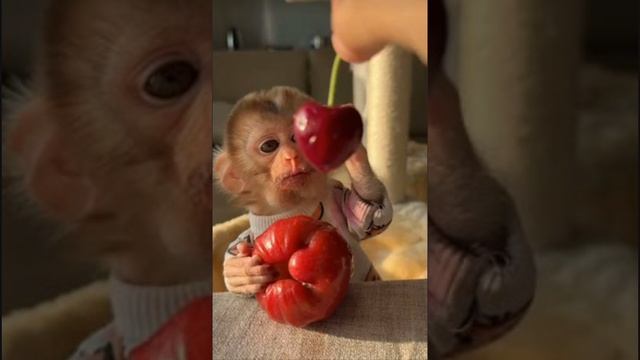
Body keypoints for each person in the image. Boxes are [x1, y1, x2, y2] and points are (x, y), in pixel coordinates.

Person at [330, 0, 536, 358]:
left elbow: (373, 219)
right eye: (270, 146)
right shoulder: (253, 231)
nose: (288, 156)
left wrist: (360, 168)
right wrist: (240, 267)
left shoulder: (328, 195)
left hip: (432, 298)